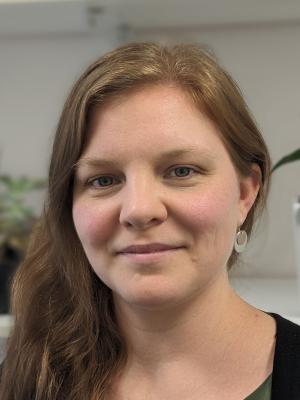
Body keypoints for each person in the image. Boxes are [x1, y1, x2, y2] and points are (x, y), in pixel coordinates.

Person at [0, 42, 299, 400]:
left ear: (245, 193)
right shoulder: (24, 380)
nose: (139, 210)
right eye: (103, 180)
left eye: (181, 171)